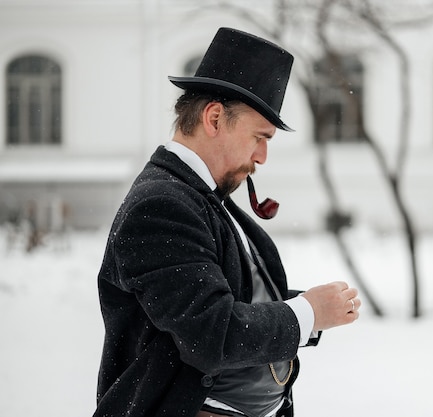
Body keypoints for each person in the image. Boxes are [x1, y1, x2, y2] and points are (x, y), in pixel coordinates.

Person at [94, 27, 361, 417]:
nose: (263, 156)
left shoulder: (201, 198)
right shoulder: (161, 206)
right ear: (215, 118)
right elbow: (211, 334)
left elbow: (229, 301)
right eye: (259, 136)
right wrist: (308, 312)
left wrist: (313, 307)